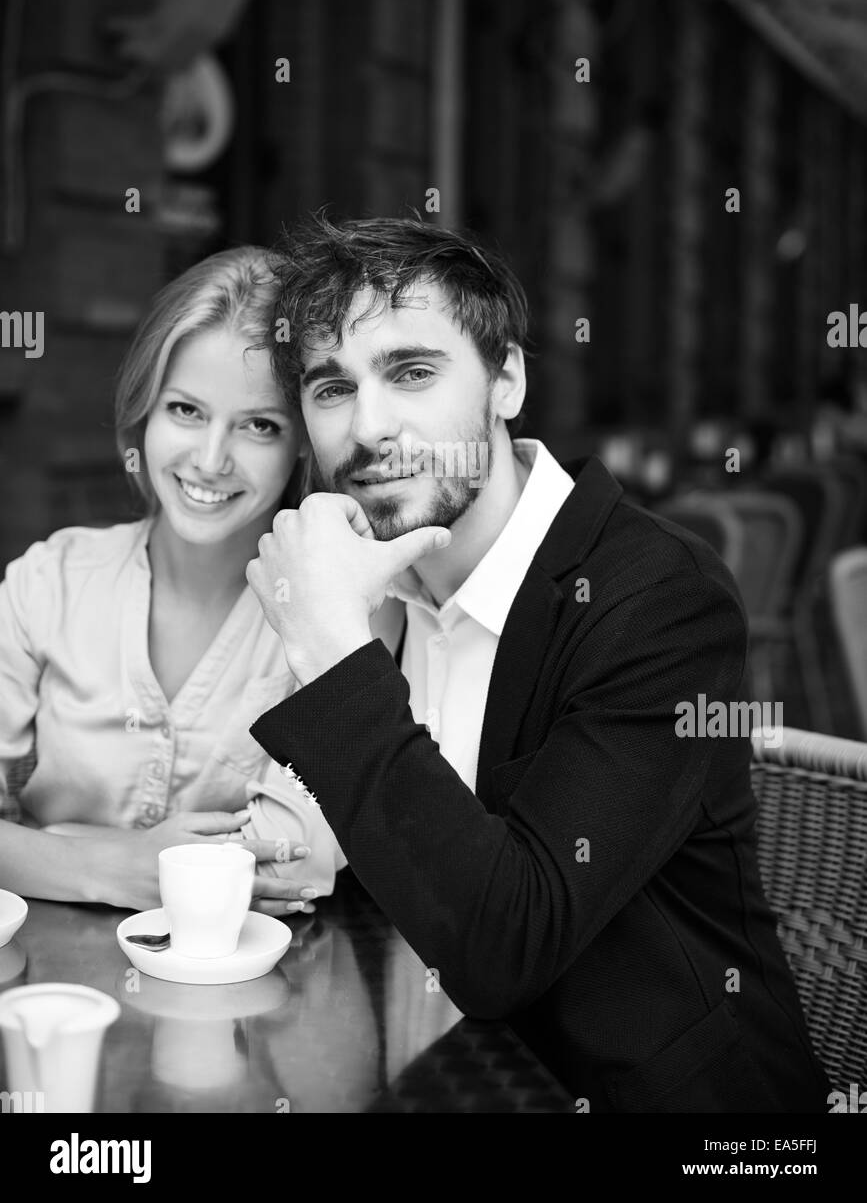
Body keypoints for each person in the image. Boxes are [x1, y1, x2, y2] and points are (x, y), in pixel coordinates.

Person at [245, 213, 832, 1112]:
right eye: (331, 388)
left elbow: (502, 944)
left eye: (410, 372)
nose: (368, 429)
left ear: (506, 379)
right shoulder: (372, 585)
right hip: (434, 1074)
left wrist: (330, 650)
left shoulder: (656, 601)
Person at [0, 246, 361, 915]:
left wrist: (42, 848)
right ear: (144, 411)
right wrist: (103, 869)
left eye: (259, 425)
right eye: (186, 411)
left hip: (251, 1004)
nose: (210, 459)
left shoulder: (333, 618)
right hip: (42, 1001)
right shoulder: (48, 583)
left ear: (302, 446)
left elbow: (293, 862)